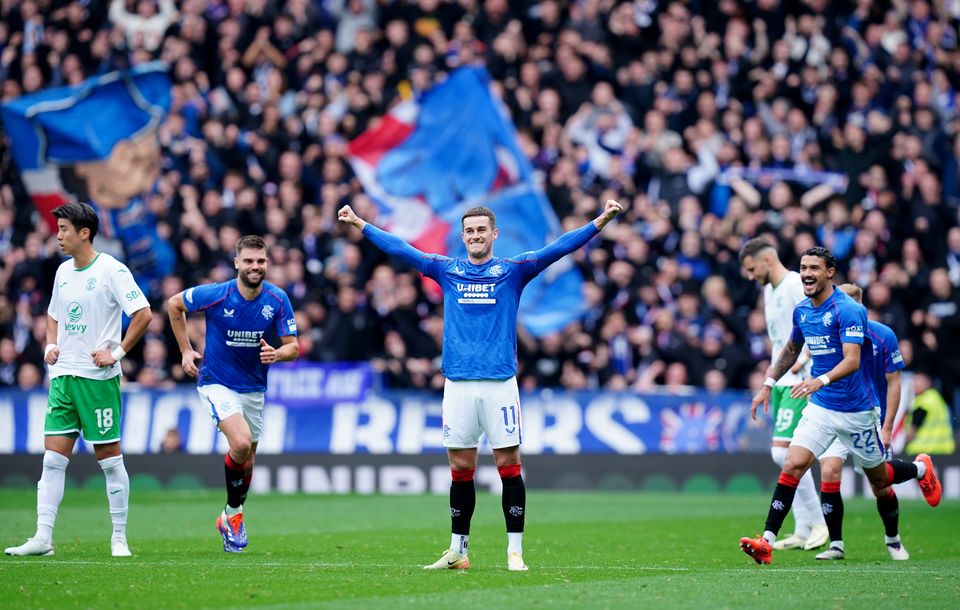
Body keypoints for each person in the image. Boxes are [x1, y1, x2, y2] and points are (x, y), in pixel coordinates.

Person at [338, 199, 624, 571]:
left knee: (509, 465)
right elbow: (401, 249)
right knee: (460, 467)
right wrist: (361, 224)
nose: (475, 236)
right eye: (469, 231)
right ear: (463, 236)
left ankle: (515, 551)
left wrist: (600, 220)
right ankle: (459, 551)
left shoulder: (513, 270)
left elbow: (559, 248)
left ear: (494, 234)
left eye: (481, 230)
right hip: (457, 384)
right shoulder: (447, 269)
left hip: (499, 384)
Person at [739, 247, 942, 565]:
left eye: (814, 268)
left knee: (880, 479)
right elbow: (792, 349)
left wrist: (820, 380)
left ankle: (919, 469)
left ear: (830, 272)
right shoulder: (803, 310)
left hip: (857, 411)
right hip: (821, 408)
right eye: (803, 267)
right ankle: (766, 541)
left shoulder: (849, 310)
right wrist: (767, 384)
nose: (806, 273)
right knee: (792, 463)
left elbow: (851, 360)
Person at [4, 202, 151, 557]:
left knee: (110, 461)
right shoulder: (62, 272)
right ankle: (43, 537)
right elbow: (53, 314)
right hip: (63, 378)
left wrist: (116, 354)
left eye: (64, 230)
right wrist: (51, 345)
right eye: (58, 230)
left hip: (97, 381)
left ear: (84, 233)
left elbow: (144, 314)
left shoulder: (112, 270)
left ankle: (119, 537)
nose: (58, 236)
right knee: (53, 460)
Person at [166, 235, 299, 553]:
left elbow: (293, 346)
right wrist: (186, 351)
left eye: (261, 261)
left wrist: (277, 355)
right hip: (216, 382)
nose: (255, 266)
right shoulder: (216, 294)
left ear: (267, 263)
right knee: (239, 444)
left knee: (248, 460)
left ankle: (229, 515)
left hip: (253, 389)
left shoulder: (277, 299)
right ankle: (236, 516)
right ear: (237, 262)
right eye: (249, 261)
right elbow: (174, 305)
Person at [739, 237, 829, 552]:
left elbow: (809, 331)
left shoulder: (794, 284)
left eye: (751, 269)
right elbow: (781, 340)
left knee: (784, 453)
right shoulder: (768, 291)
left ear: (766, 260)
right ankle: (803, 527)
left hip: (799, 379)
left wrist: (804, 364)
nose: (750, 276)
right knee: (785, 454)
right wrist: (770, 378)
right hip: (781, 381)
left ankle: (819, 522)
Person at [815, 283, 909, 561]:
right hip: (834, 411)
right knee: (830, 470)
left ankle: (893, 539)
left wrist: (888, 425)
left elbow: (894, 383)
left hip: (869, 414)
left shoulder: (883, 335)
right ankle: (836, 545)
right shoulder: (828, 332)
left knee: (879, 485)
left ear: (859, 308)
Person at [905, 370, 956, 456]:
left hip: (922, 451)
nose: (915, 384)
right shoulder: (936, 397)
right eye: (914, 381)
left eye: (919, 381)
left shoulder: (922, 401)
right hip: (943, 450)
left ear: (928, 383)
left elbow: (911, 432)